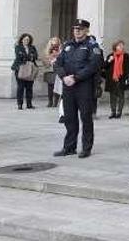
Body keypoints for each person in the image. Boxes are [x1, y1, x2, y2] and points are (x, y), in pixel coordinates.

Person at [54, 19, 102, 158]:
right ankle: (69, 147)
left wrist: (75, 78)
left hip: (84, 86)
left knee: (86, 118)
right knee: (69, 118)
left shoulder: (92, 46)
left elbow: (93, 66)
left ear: (87, 30)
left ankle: (86, 148)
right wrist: (64, 77)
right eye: (75, 29)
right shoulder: (67, 45)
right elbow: (58, 64)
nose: (77, 31)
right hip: (68, 86)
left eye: (80, 29)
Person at [104, 40, 129, 119]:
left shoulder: (126, 56)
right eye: (119, 45)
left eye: (122, 45)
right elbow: (104, 66)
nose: (121, 47)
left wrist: (127, 78)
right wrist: (109, 60)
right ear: (115, 47)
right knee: (112, 96)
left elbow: (128, 68)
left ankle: (119, 112)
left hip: (121, 79)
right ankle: (113, 112)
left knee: (121, 96)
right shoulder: (111, 55)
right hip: (112, 79)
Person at [12, 33, 39, 110]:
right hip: (20, 69)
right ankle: (20, 104)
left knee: (29, 87)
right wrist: (29, 56)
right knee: (20, 87)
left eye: (28, 40)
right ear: (22, 40)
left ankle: (29, 104)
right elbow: (19, 56)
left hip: (30, 69)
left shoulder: (32, 47)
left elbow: (35, 56)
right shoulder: (18, 47)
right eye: (25, 39)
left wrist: (29, 56)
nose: (26, 41)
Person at [41, 37, 63, 108]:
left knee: (57, 87)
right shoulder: (47, 50)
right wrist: (50, 59)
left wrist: (58, 55)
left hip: (58, 70)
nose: (55, 42)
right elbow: (44, 59)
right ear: (51, 42)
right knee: (50, 86)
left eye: (56, 41)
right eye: (54, 41)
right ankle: (50, 101)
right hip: (50, 69)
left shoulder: (61, 49)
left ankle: (55, 102)